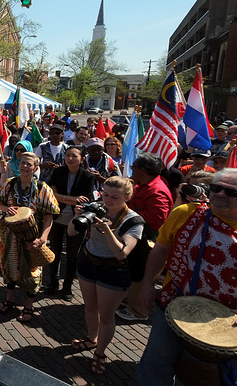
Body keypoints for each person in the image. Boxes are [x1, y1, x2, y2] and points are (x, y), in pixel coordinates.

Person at [136, 169, 237, 386]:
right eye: (216, 188)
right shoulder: (186, 213)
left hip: (227, 321)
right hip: (176, 303)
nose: (220, 194)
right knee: (157, 363)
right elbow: (161, 249)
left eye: (231, 192)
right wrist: (147, 285)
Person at [68, 177, 144, 376]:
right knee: (90, 307)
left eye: (115, 197)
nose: (108, 200)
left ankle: (100, 352)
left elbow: (122, 253)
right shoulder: (96, 208)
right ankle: (91, 338)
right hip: (88, 262)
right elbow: (71, 232)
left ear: (127, 197)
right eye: (105, 194)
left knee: (107, 316)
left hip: (113, 269)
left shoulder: (133, 221)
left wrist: (107, 230)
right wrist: (76, 217)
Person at [0, 152, 59, 322]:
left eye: (29, 164)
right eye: (22, 162)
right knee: (10, 266)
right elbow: (1, 202)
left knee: (33, 270)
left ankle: (29, 304)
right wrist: (5, 209)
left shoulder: (42, 188)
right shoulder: (9, 184)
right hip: (11, 235)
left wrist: (43, 238)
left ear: (36, 168)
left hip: (33, 236)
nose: (24, 166)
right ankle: (10, 297)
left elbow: (48, 216)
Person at [116, 152, 173, 321]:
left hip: (147, 241)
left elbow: (156, 220)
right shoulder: (142, 185)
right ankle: (129, 302)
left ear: (143, 170)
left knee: (142, 274)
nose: (131, 169)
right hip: (136, 237)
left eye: (134, 167)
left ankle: (139, 311)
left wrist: (129, 213)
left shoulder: (157, 191)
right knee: (133, 272)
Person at [46, 145, 95, 300]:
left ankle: (67, 287)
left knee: (73, 255)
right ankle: (53, 283)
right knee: (54, 252)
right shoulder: (58, 172)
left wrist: (62, 197)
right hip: (57, 218)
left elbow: (86, 200)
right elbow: (51, 195)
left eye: (74, 156)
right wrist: (72, 199)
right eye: (67, 155)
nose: (70, 158)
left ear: (82, 159)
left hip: (76, 220)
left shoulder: (88, 176)